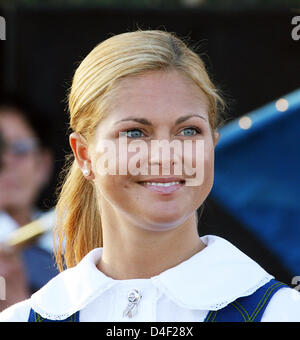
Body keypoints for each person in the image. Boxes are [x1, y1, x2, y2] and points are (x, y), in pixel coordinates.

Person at [0, 29, 299, 322]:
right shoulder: (24, 317)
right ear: (84, 154)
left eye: (188, 131)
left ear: (212, 145)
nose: (165, 155)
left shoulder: (283, 312)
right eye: (135, 133)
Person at [0, 95, 58, 311]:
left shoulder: (74, 247)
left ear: (43, 165)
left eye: (19, 149)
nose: (5, 161)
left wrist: (16, 304)